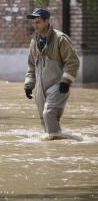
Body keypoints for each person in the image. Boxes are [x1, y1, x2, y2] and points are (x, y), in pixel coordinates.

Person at [24, 8, 80, 139]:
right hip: (40, 90)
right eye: (34, 23)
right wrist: (28, 84)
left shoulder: (60, 39)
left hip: (58, 86)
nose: (35, 25)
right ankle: (54, 149)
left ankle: (57, 148)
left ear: (46, 21)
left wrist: (66, 81)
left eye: (38, 22)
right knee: (45, 123)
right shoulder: (34, 42)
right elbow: (31, 66)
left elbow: (72, 62)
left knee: (49, 113)